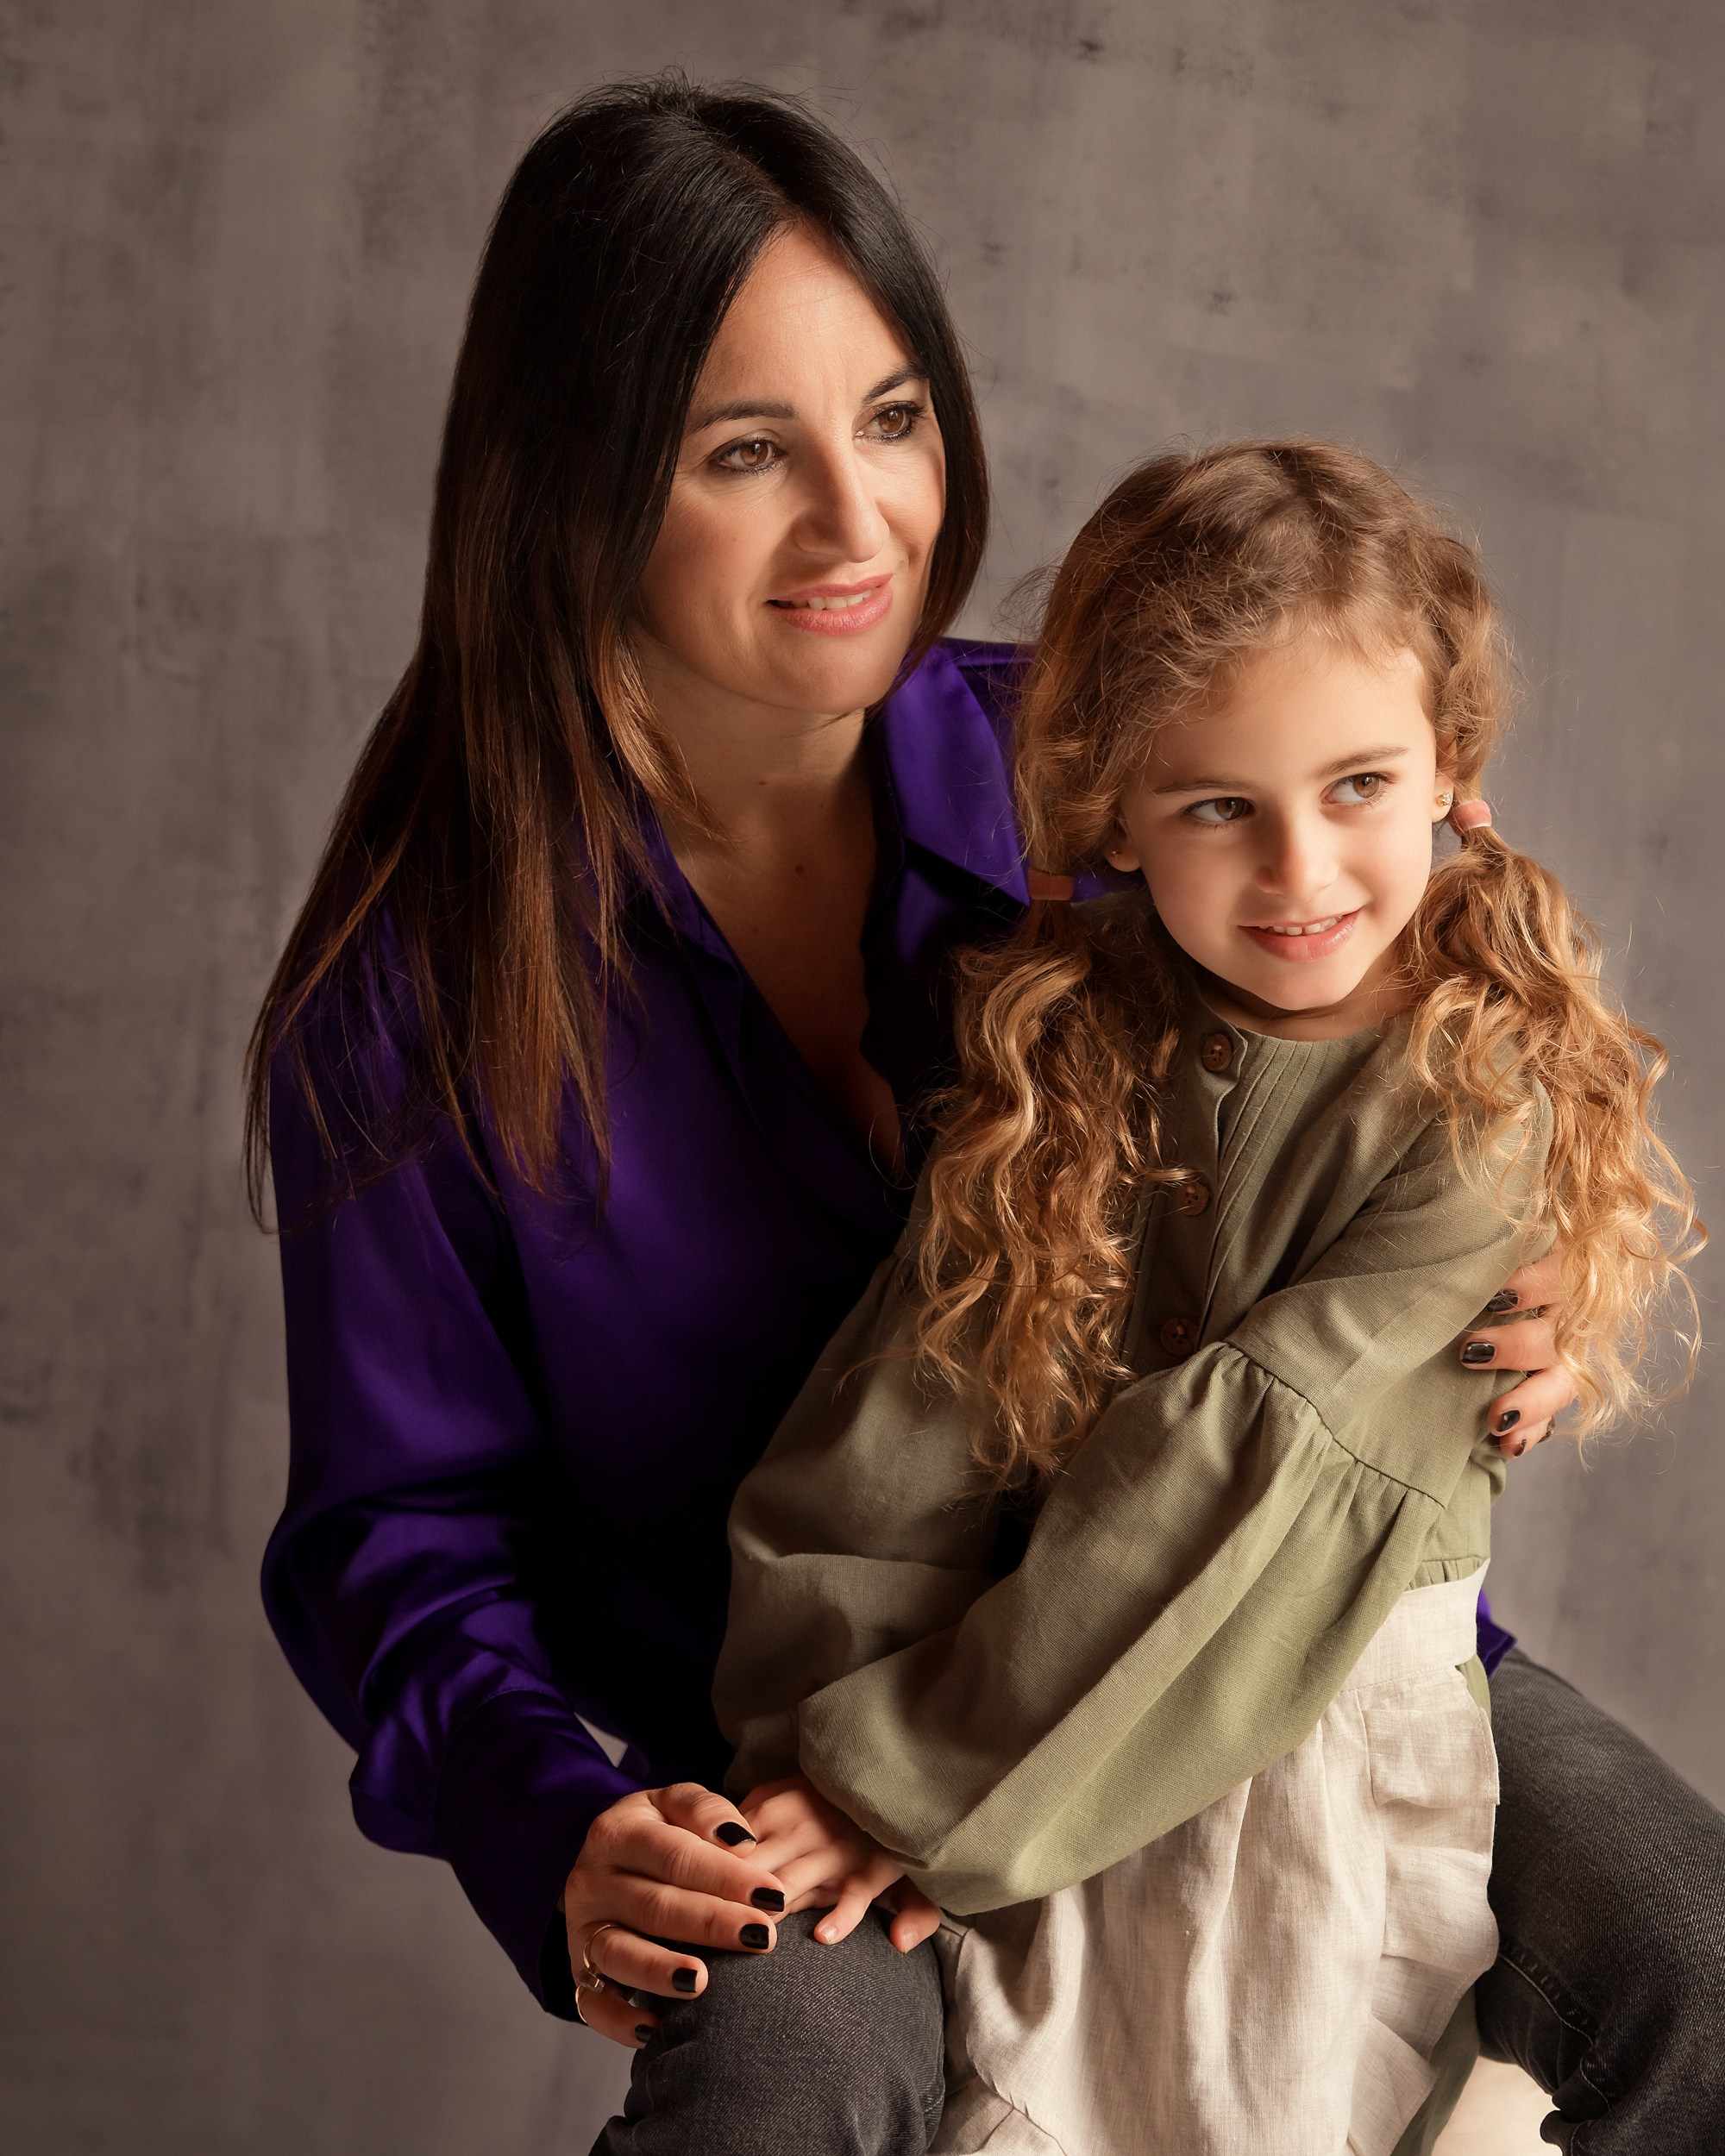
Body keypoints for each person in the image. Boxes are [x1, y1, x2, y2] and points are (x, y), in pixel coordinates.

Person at [246, 75, 1725, 2156]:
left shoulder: (1105, 748)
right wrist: (559, 1825)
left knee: (1702, 1951)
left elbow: (1402, 891)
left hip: (1271, 1628)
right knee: (778, 2085)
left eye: (896, 417)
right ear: (570, 487)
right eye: (745, 453)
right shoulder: (412, 999)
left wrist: (1526, 1231)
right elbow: (394, 1540)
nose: (866, 528)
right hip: (829, 1755)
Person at [715, 441, 1699, 2154]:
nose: (1301, 873)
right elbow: (910, 1405)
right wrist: (820, 1723)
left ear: (1450, 766)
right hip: (1016, 1684)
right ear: (1118, 812)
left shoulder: (1477, 1101)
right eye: (1216, 806)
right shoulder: (1070, 1046)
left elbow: (1247, 1467)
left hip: (1309, 1685)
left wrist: (899, 1775)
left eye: (1358, 785)